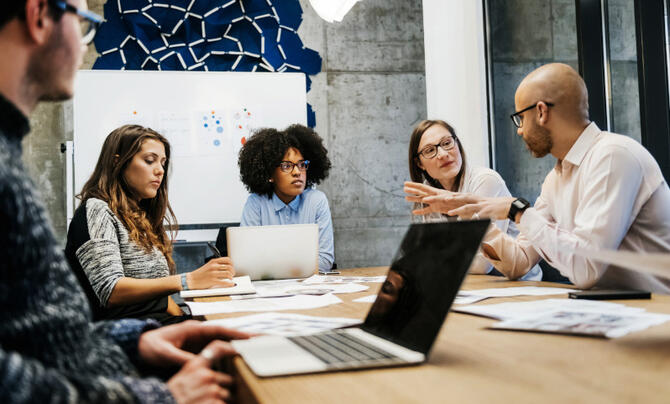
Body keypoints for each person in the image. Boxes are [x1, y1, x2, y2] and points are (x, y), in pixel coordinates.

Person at [0, 1, 249, 402]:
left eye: (162, 163)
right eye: (84, 24)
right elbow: (15, 375)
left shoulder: (9, 155)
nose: (85, 44)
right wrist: (156, 397)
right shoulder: (92, 207)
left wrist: (134, 341)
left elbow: (45, 338)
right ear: (39, 15)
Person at [416, 63, 670, 293]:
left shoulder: (613, 156)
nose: (519, 130)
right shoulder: (555, 179)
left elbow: (587, 270)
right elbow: (519, 263)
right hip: (615, 311)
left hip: (657, 315)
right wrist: (472, 216)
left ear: (541, 112)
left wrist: (517, 211)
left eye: (520, 118)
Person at [66, 124, 236, 323]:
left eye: (163, 163)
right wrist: (187, 281)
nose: (160, 171)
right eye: (149, 161)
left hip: (153, 324)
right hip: (126, 334)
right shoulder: (97, 210)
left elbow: (155, 294)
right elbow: (111, 290)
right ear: (117, 163)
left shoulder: (139, 216)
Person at [404, 120, 541, 280]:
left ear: (457, 143)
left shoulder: (485, 180)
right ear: (419, 163)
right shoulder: (427, 192)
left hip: (517, 286)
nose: (442, 154)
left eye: (447, 143)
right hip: (468, 286)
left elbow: (483, 264)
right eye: (430, 150)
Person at [238, 124, 335, 272]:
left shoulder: (317, 201)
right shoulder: (256, 203)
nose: (297, 172)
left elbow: (325, 261)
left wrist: (272, 267)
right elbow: (247, 261)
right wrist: (299, 266)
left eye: (301, 164)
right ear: (270, 173)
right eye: (286, 166)